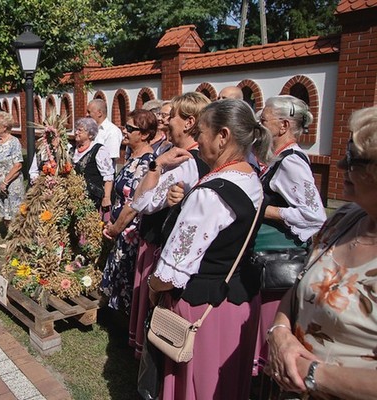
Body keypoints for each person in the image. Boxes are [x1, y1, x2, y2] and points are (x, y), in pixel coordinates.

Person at [148, 99, 274, 400]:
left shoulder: (210, 194)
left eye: (201, 132)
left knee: (198, 387)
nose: (197, 139)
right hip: (235, 305)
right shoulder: (250, 178)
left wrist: (153, 287)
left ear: (223, 136)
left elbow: (172, 272)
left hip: (201, 310)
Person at [267, 105, 377, 400]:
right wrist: (279, 332)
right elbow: (301, 283)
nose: (341, 165)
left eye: (353, 158)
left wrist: (314, 375)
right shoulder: (345, 218)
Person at [129, 92, 211, 357]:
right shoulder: (202, 158)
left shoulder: (183, 161)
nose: (166, 122)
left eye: (172, 116)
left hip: (166, 246)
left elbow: (141, 203)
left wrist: (156, 165)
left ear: (189, 122)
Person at [253, 95, 327, 374]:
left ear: (283, 125)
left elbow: (314, 215)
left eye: (264, 120)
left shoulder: (291, 162)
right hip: (266, 257)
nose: (260, 124)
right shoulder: (278, 159)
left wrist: (265, 210)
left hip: (276, 259)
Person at [101, 109, 156, 311]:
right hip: (121, 229)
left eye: (130, 128)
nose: (124, 131)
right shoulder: (133, 155)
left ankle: (125, 327)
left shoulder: (146, 163)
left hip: (130, 231)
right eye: (125, 126)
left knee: (127, 277)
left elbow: (133, 203)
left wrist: (116, 227)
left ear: (144, 134)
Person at [0, 112, 24, 238]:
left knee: (15, 213)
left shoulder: (14, 142)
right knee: (5, 213)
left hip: (12, 185)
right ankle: (10, 238)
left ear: (4, 127)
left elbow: (18, 165)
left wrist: (5, 182)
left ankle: (17, 240)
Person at [71, 117, 114, 210]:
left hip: (92, 200)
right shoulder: (71, 150)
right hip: (72, 200)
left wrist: (106, 198)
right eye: (76, 130)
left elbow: (108, 176)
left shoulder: (99, 150)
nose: (76, 133)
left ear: (90, 135)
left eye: (80, 130)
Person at [87, 98, 122, 166]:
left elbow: (110, 159)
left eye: (89, 112)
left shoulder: (112, 131)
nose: (86, 115)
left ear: (99, 113)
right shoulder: (90, 129)